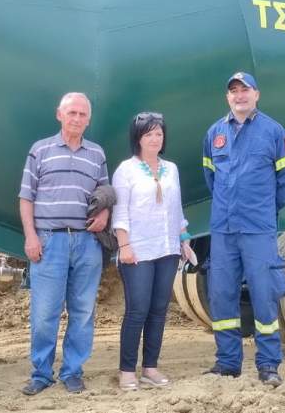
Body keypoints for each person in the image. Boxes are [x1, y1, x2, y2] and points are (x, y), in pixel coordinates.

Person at [202, 72, 285, 386]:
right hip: (223, 230)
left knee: (264, 295)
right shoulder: (215, 133)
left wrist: (263, 211)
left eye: (245, 89)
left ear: (257, 94)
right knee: (222, 296)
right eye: (234, 91)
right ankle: (228, 363)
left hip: (258, 230)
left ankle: (268, 364)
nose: (239, 95)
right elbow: (211, 179)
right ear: (227, 97)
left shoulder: (274, 132)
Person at [18, 92, 110, 395]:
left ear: (88, 119)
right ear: (60, 114)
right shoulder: (40, 150)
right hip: (49, 241)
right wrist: (31, 236)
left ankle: (72, 372)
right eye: (72, 113)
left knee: (83, 312)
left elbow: (105, 193)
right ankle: (41, 374)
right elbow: (26, 197)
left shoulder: (96, 153)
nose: (77, 119)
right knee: (45, 313)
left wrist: (104, 214)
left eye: (83, 114)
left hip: (87, 242)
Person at [111, 112, 192, 392]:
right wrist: (124, 245)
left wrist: (184, 239)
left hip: (167, 249)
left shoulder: (171, 169)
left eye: (159, 133)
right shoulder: (126, 170)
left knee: (158, 310)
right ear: (138, 138)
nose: (155, 139)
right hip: (138, 251)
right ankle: (126, 371)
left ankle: (150, 368)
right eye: (149, 134)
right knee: (137, 310)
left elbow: (176, 209)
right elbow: (120, 212)